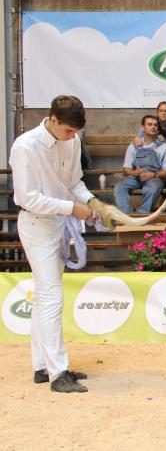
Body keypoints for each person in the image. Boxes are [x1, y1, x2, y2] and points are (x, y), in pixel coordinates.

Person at [9, 95, 96, 393]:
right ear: (53, 120)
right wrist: (71, 207)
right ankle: (58, 373)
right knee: (51, 296)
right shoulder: (25, 146)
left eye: (76, 133)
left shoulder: (71, 142)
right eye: (69, 131)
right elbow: (26, 197)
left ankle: (41, 367)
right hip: (35, 225)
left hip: (58, 224)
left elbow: (74, 183)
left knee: (46, 295)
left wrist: (91, 201)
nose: (72, 137)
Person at [114, 115, 166, 213]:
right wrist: (133, 172)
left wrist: (154, 174)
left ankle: (141, 215)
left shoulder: (165, 147)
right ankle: (126, 216)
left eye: (155, 125)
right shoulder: (133, 146)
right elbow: (126, 168)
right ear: (143, 128)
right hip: (136, 177)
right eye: (149, 124)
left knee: (151, 189)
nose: (153, 127)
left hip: (155, 178)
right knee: (119, 187)